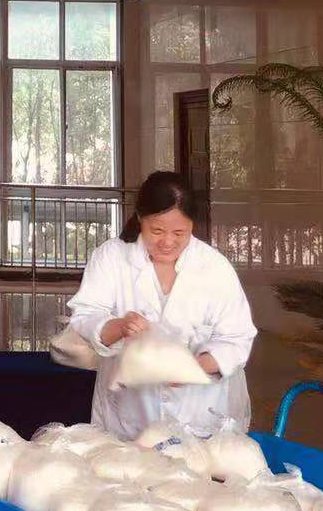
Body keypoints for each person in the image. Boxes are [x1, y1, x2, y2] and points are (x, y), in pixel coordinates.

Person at [67, 171, 256, 441]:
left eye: (180, 233)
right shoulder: (112, 257)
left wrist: (191, 368)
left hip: (200, 418)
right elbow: (85, 315)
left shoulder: (214, 267)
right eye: (157, 231)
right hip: (129, 419)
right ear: (140, 218)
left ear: (192, 225)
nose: (168, 242)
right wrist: (119, 326)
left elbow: (237, 339)